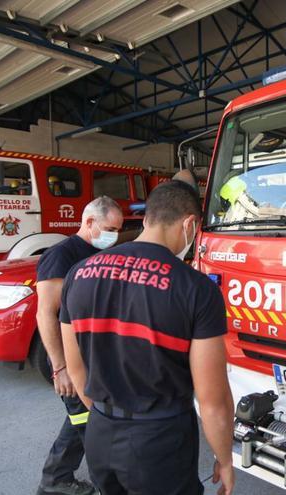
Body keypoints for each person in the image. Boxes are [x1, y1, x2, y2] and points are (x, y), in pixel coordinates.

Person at [60, 180, 235, 495]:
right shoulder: (196, 288)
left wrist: (108, 415)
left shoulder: (79, 273)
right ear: (190, 224)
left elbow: (76, 371)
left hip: (99, 433)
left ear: (145, 219)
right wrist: (224, 458)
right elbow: (214, 401)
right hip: (160, 441)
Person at [35, 196, 124, 495]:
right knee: (92, 427)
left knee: (80, 421)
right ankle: (108, 487)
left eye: (117, 230)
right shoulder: (61, 255)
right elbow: (46, 311)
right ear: (89, 223)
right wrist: (59, 367)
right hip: (71, 362)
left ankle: (55, 478)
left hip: (92, 358)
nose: (114, 235)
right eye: (110, 228)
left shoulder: (100, 253)